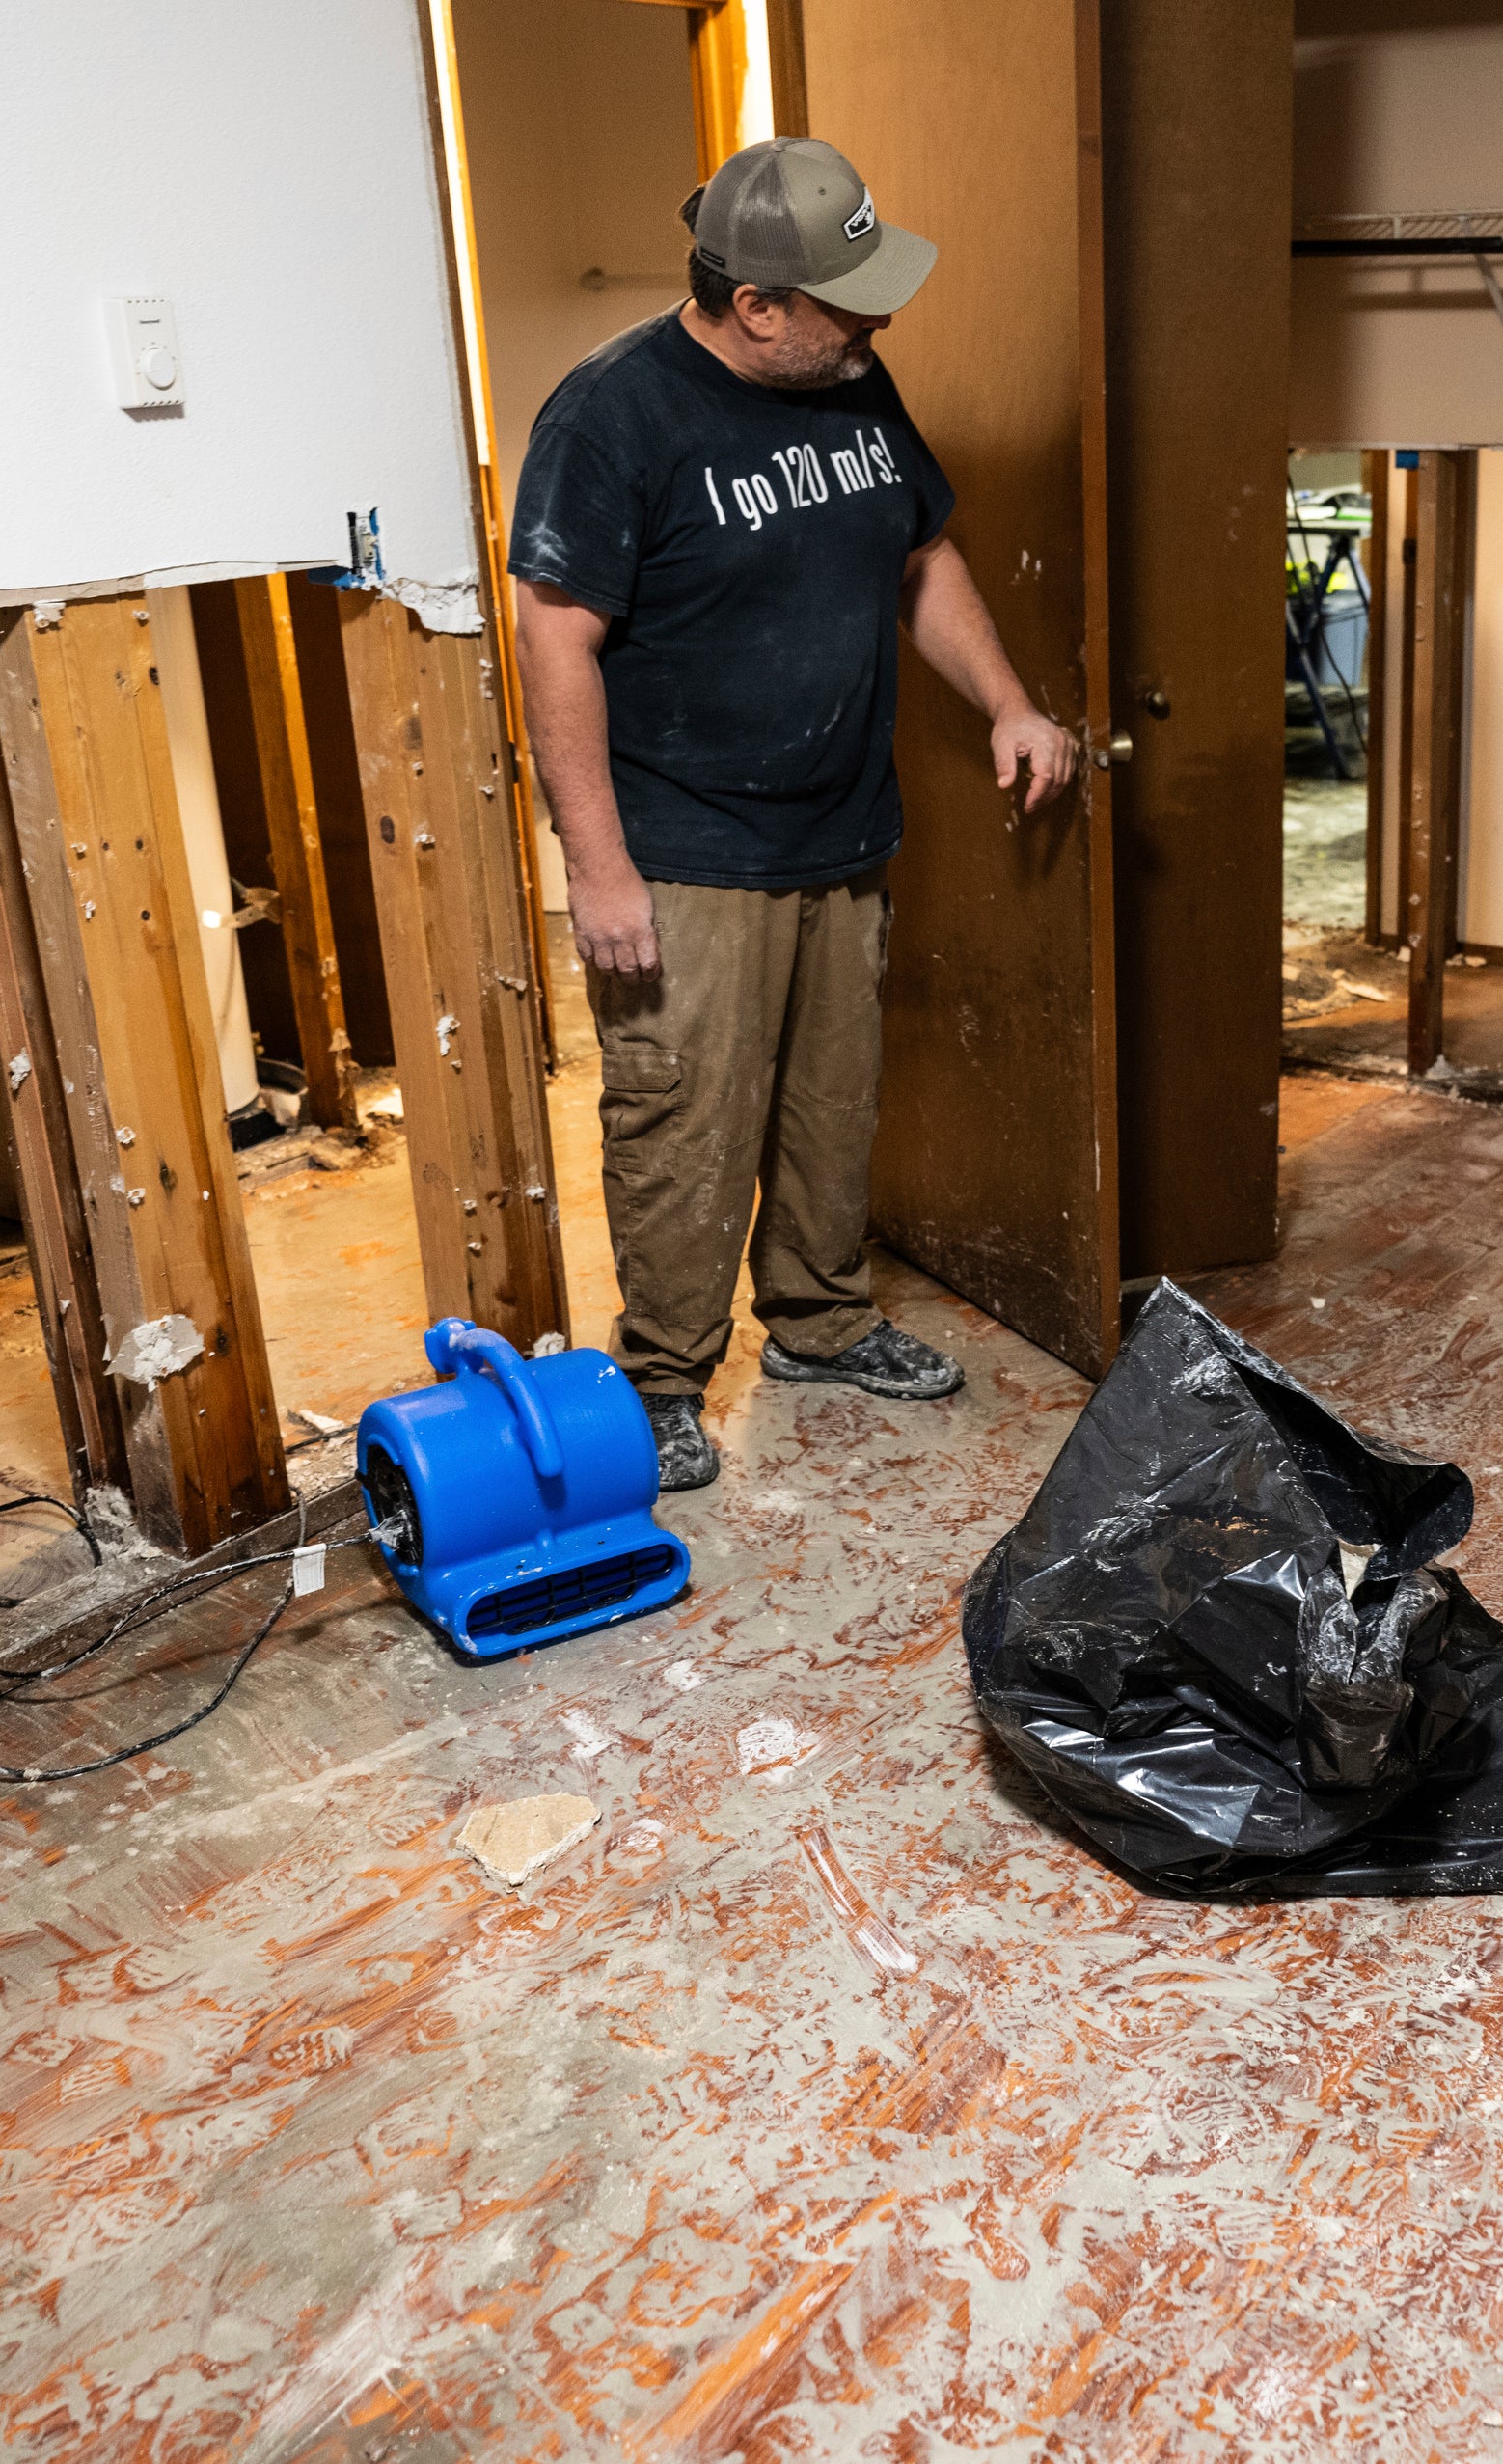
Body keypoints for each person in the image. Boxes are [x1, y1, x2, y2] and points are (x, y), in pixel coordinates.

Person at [508, 136, 1075, 1493]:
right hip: (688, 848)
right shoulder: (613, 417)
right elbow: (555, 641)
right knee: (684, 1120)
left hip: (843, 826)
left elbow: (921, 555)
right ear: (757, 304)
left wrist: (1007, 701)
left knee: (831, 1103)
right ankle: (661, 1379)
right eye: (846, 303)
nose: (876, 326)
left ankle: (820, 1320)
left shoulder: (851, 382)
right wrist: (598, 868)